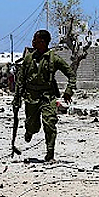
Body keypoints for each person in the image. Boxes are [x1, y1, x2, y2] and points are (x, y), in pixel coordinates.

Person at [12, 29, 75, 162]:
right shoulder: (29, 59)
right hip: (31, 97)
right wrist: (17, 97)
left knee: (49, 123)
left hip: (48, 97)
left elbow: (71, 74)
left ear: (42, 42)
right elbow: (20, 79)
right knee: (33, 125)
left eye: (35, 39)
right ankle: (29, 131)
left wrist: (69, 90)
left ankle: (50, 154)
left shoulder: (54, 59)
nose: (32, 42)